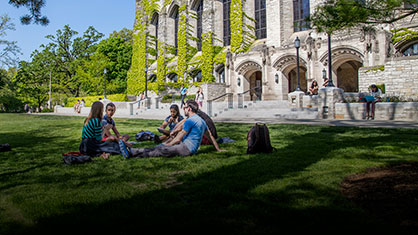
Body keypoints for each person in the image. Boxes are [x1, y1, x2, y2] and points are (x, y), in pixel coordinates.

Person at [119, 100, 225, 158]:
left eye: (184, 107)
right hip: (187, 148)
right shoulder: (201, 121)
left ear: (189, 108)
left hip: (185, 148)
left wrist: (167, 144)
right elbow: (210, 136)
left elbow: (178, 138)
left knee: (160, 150)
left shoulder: (190, 121)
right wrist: (218, 149)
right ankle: (133, 152)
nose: (183, 109)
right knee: (159, 149)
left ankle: (132, 152)